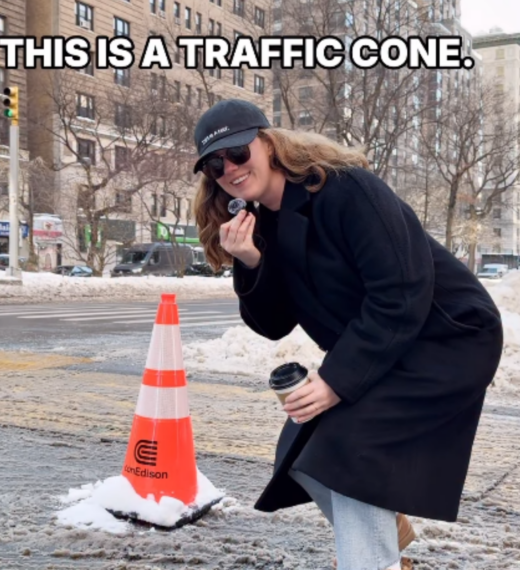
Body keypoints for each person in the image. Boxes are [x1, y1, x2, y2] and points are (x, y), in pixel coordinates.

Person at [191, 99, 503, 570]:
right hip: (386, 343)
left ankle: (371, 560)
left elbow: (401, 293)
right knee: (298, 452)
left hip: (449, 338)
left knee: (349, 452)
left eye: (238, 152)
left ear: (269, 143)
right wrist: (251, 261)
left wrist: (336, 381)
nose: (230, 169)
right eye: (216, 165)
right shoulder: (266, 226)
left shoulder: (345, 189)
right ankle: (385, 538)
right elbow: (273, 322)